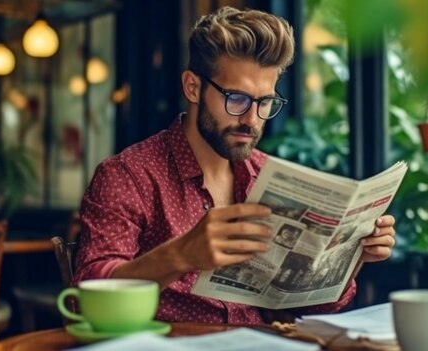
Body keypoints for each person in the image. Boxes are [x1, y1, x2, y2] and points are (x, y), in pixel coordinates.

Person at [73, 6, 396, 325]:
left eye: (265, 102)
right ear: (193, 87)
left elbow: (310, 310)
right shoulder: (127, 175)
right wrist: (181, 255)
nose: (251, 120)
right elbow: (85, 298)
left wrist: (352, 259)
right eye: (237, 99)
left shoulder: (268, 176)